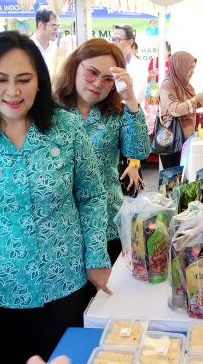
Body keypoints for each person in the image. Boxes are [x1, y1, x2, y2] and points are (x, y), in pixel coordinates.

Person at [0, 31, 112, 364]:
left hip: (64, 283)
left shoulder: (66, 129)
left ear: (40, 81)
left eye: (24, 79)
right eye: (1, 79)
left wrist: (96, 257)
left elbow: (92, 196)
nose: (13, 91)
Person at [53, 38, 151, 264]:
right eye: (91, 73)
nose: (97, 83)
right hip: (62, 224)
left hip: (107, 222)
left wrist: (130, 99)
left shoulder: (116, 114)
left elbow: (139, 150)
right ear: (75, 67)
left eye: (107, 79)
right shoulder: (52, 111)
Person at [157, 51, 203, 169]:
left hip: (186, 139)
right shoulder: (167, 85)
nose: (193, 71)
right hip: (172, 140)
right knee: (173, 176)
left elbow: (190, 106)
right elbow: (175, 109)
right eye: (189, 68)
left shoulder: (186, 85)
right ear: (179, 67)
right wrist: (196, 98)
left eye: (193, 67)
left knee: (185, 175)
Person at [112, 24, 149, 107]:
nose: (113, 43)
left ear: (130, 42)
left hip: (128, 111)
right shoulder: (109, 62)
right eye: (112, 39)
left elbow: (138, 98)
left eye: (117, 40)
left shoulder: (140, 66)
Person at [30, 6, 60, 73]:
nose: (57, 31)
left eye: (58, 26)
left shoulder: (56, 48)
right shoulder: (27, 48)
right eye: (54, 26)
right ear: (41, 25)